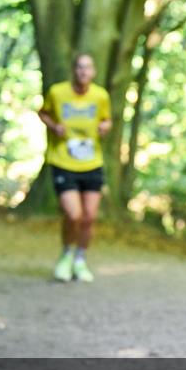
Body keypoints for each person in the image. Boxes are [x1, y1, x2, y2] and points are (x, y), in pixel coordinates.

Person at [38, 53, 112, 282]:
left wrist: (104, 126)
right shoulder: (57, 92)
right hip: (63, 161)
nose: (83, 72)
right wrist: (54, 126)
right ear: (73, 70)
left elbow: (107, 119)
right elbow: (43, 112)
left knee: (89, 217)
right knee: (73, 214)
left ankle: (80, 260)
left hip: (92, 162)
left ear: (94, 72)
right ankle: (66, 255)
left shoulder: (100, 96)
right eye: (79, 67)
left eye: (87, 68)